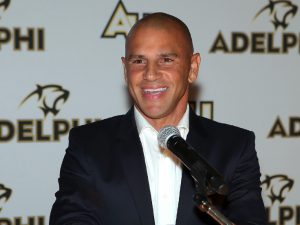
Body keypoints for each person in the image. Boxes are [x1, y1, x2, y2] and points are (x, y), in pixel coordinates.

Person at [50, 13, 267, 225]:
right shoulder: (88, 145)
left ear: (192, 68)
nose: (150, 74)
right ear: (125, 70)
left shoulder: (235, 147)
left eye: (166, 60)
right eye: (138, 60)